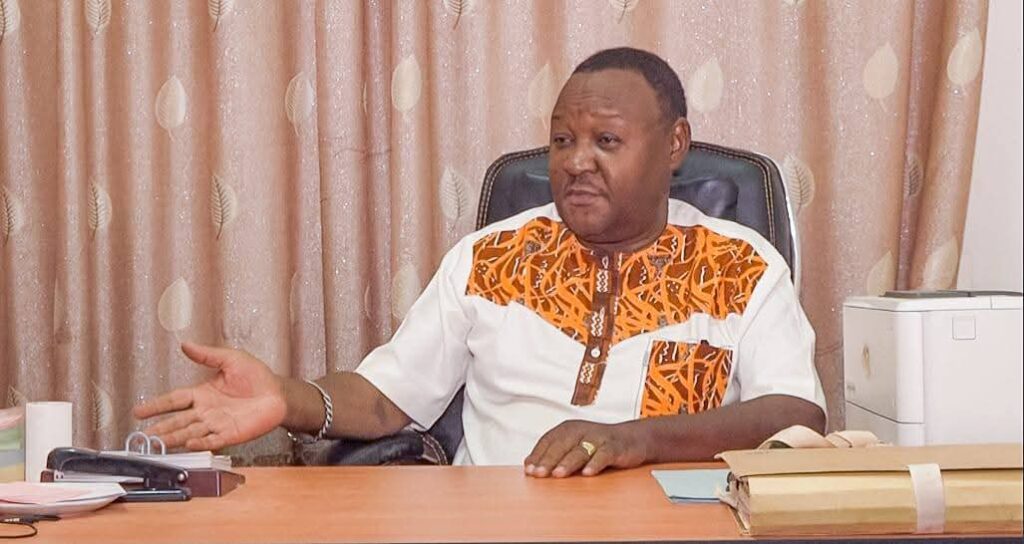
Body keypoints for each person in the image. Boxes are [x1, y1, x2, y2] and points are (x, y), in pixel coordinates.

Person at [134, 47, 825, 478]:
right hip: (495, 521)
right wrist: (285, 397)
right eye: (562, 139)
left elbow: (795, 413)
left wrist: (637, 440)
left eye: (606, 141)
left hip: (669, 526)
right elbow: (387, 399)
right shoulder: (491, 257)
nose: (576, 162)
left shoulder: (742, 267)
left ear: (674, 145)